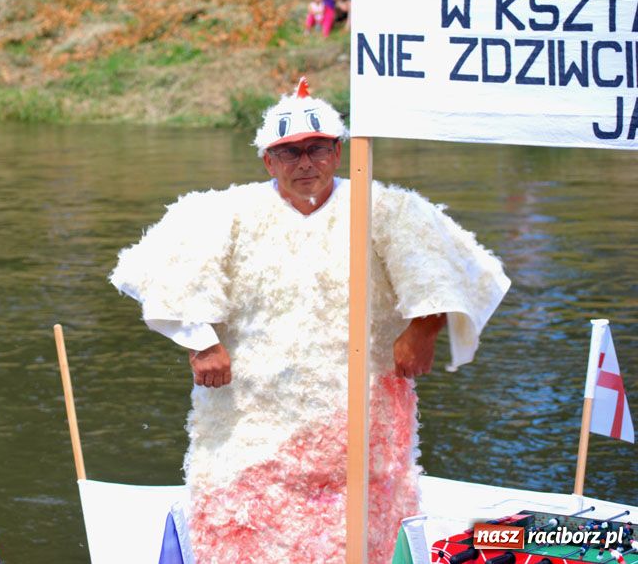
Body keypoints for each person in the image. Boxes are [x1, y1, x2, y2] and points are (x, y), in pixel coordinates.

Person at [110, 77, 510, 563]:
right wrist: (199, 340)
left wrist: (424, 328)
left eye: (317, 149)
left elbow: (455, 270)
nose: (305, 164)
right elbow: (159, 273)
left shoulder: (383, 206)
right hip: (248, 420)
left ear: (338, 152)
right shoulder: (226, 212)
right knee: (243, 529)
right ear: (267, 161)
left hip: (361, 419)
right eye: (289, 153)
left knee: (362, 538)